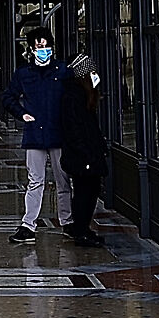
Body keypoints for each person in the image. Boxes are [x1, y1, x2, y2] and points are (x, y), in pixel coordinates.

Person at [0, 28, 70, 243]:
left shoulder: (62, 70)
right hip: (35, 135)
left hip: (58, 133)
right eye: (39, 47)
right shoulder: (23, 74)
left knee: (63, 181)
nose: (43, 50)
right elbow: (8, 97)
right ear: (31, 49)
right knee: (35, 181)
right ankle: (28, 225)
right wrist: (22, 114)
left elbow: (87, 79)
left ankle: (68, 221)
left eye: (46, 46)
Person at [57, 52, 107, 245]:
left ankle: (83, 228)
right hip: (82, 155)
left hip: (88, 152)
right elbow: (74, 128)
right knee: (84, 192)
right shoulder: (73, 95)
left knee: (90, 190)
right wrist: (86, 153)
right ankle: (81, 230)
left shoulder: (82, 93)